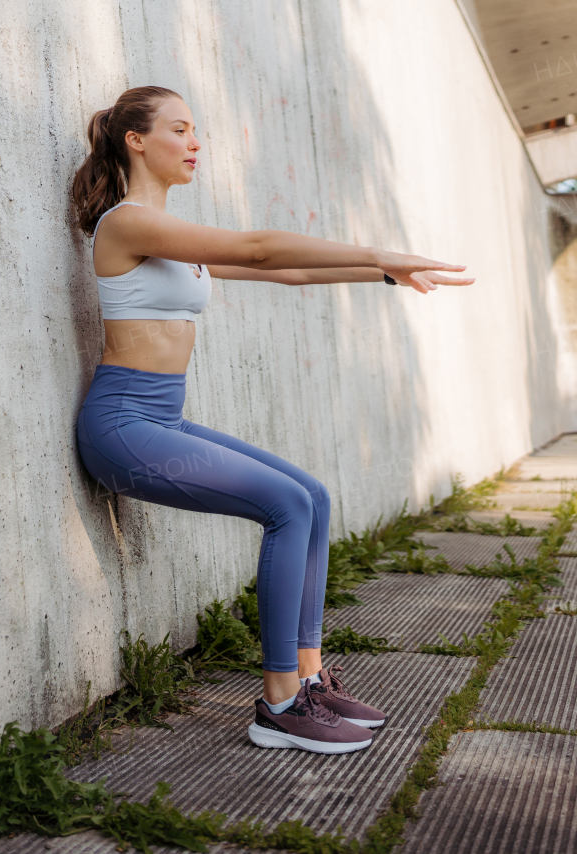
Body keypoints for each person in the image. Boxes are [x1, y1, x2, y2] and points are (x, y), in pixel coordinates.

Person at [70, 86, 474, 755]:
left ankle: (310, 679)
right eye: (180, 129)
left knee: (311, 495)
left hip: (162, 420)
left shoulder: (173, 236)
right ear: (136, 140)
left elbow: (283, 274)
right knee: (287, 504)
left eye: (197, 129)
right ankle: (280, 702)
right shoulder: (127, 223)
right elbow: (259, 247)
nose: (196, 142)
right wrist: (381, 252)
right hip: (123, 428)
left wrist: (382, 277)